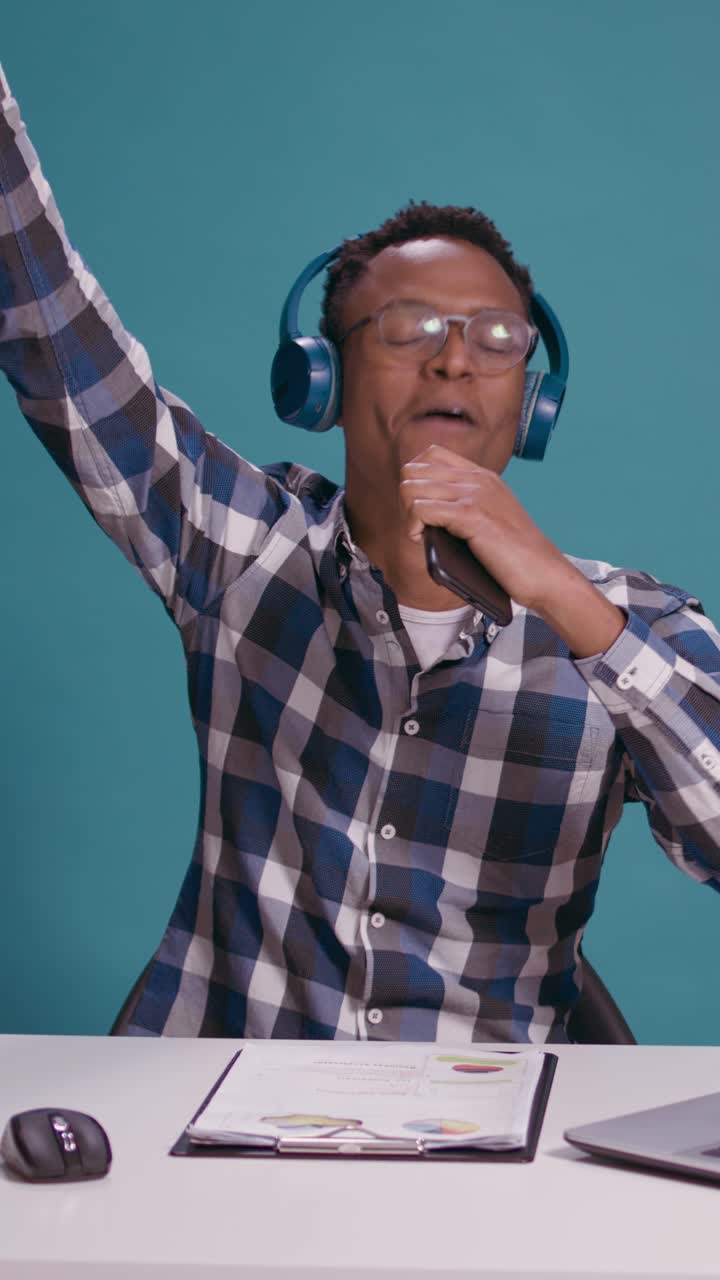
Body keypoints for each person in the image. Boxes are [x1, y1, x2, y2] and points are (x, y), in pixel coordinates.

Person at [2, 65, 720, 1044]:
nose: (455, 358)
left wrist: (563, 595)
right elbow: (59, 346)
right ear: (323, 380)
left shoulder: (631, 626)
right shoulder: (244, 550)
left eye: (497, 337)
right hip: (226, 1136)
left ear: (532, 402)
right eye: (409, 328)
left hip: (496, 1153)